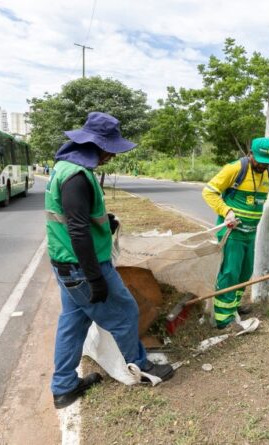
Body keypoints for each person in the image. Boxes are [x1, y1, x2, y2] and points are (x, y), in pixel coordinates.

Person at [45, 112, 174, 409]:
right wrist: (94, 278)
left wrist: (106, 222)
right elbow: (78, 231)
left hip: (66, 264)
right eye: (110, 149)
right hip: (82, 266)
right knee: (125, 312)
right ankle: (140, 368)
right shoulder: (77, 177)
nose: (112, 156)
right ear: (96, 145)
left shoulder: (66, 167)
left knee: (73, 323)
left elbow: (76, 218)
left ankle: (64, 387)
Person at [202, 137, 269, 329]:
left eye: (267, 162)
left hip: (250, 234)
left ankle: (232, 306)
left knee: (245, 272)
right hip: (232, 233)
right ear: (250, 154)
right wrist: (226, 211)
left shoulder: (268, 173)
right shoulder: (235, 169)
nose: (263, 165)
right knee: (230, 273)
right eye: (260, 160)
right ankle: (222, 319)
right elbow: (209, 191)